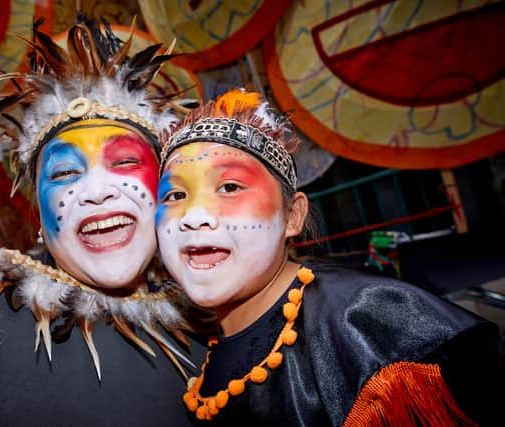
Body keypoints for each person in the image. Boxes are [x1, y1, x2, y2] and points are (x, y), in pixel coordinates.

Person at [155, 89, 501, 425]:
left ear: (292, 216)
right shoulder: (198, 353)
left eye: (230, 187)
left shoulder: (368, 328)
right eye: (174, 194)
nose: (193, 215)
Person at [0, 16, 207, 426]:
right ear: (37, 213)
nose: (98, 191)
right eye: (65, 173)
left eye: (124, 162)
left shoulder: (219, 315)